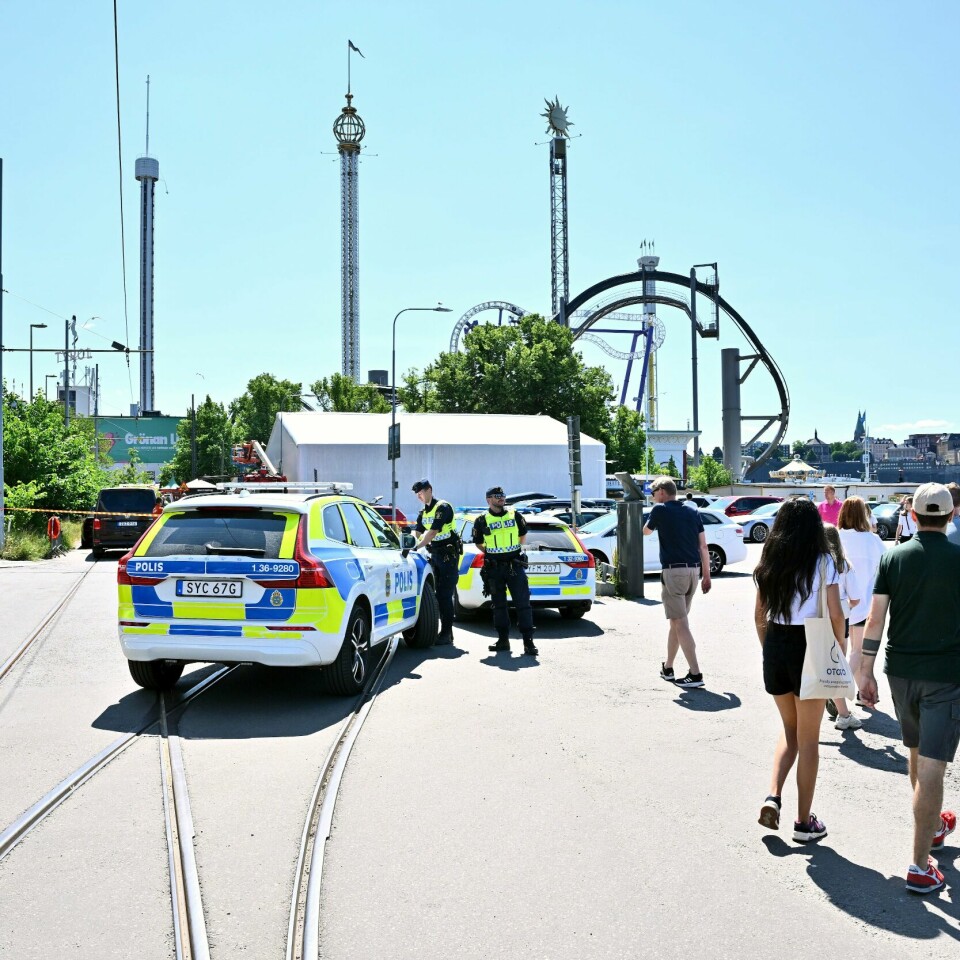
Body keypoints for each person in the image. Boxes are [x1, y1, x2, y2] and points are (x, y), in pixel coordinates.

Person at [859, 483, 960, 895]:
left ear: (914, 517)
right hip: (946, 675)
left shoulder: (893, 557)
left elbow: (874, 620)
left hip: (899, 670)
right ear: (951, 517)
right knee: (933, 766)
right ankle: (920, 865)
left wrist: (864, 673)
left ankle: (933, 825)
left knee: (916, 753)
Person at [754, 497, 843, 843]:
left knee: (789, 731)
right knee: (809, 740)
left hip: (776, 644)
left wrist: (769, 648)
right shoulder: (824, 561)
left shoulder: (769, 560)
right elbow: (835, 612)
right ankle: (804, 823)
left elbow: (758, 614)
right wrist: (836, 648)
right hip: (810, 644)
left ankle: (772, 796)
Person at [643, 476, 711, 689]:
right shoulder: (692, 511)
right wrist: (707, 576)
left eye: (653, 493)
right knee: (676, 621)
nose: (653, 497)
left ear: (662, 491)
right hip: (693, 572)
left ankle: (695, 673)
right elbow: (703, 547)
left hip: (674, 573)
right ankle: (668, 668)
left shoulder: (660, 510)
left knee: (680, 623)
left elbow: (645, 531)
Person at [472, 485, 537, 656]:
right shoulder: (481, 520)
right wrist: (492, 552)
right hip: (494, 568)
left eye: (502, 495)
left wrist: (512, 549)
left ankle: (528, 642)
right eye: (497, 495)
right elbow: (478, 542)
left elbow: (523, 535)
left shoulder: (514, 515)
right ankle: (503, 640)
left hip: (514, 565)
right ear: (488, 500)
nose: (501, 498)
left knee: (523, 604)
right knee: (499, 605)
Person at [835, 497, 886, 711]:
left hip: (835, 604)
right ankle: (837, 690)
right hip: (863, 603)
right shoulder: (873, 541)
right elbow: (884, 569)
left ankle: (860, 693)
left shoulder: (835, 537)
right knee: (856, 651)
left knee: (839, 651)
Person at [822, 524, 861, 730]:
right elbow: (856, 599)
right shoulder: (844, 565)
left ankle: (835, 706)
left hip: (817, 619)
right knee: (835, 666)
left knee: (822, 664)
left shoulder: (814, 563)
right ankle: (843, 714)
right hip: (840, 618)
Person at [412, 479, 459, 645]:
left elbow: (432, 533)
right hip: (435, 555)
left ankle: (446, 634)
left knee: (445, 595)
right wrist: (409, 543)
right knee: (437, 595)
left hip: (448, 556)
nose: (420, 497)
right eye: (417, 495)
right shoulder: (423, 512)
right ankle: (447, 633)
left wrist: (416, 547)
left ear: (429, 490)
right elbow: (417, 531)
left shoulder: (442, 507)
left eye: (421, 493)